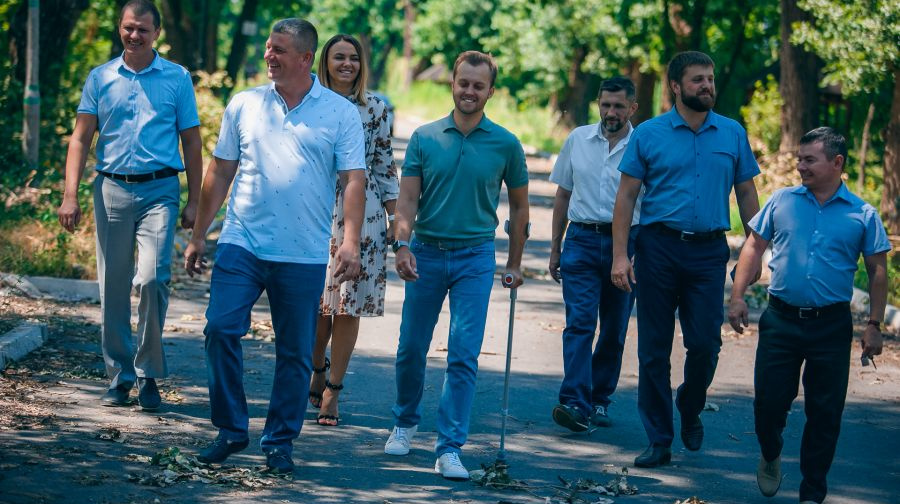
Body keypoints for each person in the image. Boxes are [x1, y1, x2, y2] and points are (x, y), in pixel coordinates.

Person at [183, 18, 366, 473]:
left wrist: (350, 242)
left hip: (302, 252)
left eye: (279, 49)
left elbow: (353, 180)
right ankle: (231, 429)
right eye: (268, 47)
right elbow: (220, 170)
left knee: (295, 352)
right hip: (241, 241)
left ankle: (280, 441)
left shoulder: (340, 113)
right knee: (220, 328)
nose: (269, 55)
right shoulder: (245, 104)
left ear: (305, 58)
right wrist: (199, 234)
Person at [383, 51, 530, 481]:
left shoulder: (506, 143)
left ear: (490, 91)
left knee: (463, 354)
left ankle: (449, 447)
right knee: (411, 347)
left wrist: (515, 262)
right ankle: (405, 422)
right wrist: (402, 245)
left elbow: (520, 209)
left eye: (478, 85)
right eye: (463, 83)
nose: (469, 91)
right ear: (452, 83)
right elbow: (408, 199)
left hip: (474, 257)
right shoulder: (425, 138)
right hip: (425, 252)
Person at [611, 51, 762, 468]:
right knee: (654, 349)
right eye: (698, 79)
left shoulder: (732, 133)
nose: (707, 86)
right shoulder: (649, 134)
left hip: (708, 252)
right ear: (676, 86)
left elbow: (747, 193)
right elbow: (626, 196)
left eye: (710, 78)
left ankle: (690, 404)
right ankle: (659, 439)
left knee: (706, 344)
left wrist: (757, 250)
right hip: (657, 248)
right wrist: (621, 255)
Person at [728, 127, 889, 504]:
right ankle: (770, 452)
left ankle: (812, 491)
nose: (800, 166)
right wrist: (737, 297)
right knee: (768, 405)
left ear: (836, 163)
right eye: (800, 159)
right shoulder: (782, 201)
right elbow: (753, 246)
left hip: (831, 326)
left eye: (809, 160)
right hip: (781, 320)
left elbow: (878, 271)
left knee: (825, 413)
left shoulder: (863, 214)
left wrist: (874, 325)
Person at [57, 0, 202, 411]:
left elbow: (192, 142)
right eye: (128, 28)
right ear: (120, 28)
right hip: (111, 190)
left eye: (142, 29)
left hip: (160, 190)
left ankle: (148, 373)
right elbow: (80, 139)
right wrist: (70, 195)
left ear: (157, 33)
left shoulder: (177, 78)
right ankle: (119, 376)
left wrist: (195, 201)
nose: (134, 35)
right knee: (114, 286)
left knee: (153, 278)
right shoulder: (100, 77)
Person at [308, 34, 399, 427]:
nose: (347, 64)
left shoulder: (374, 107)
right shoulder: (308, 100)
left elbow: (384, 165)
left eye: (354, 58)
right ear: (324, 62)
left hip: (365, 213)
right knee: (315, 303)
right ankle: (316, 366)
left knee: (349, 305)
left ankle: (334, 389)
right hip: (313, 209)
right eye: (339, 57)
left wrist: (396, 221)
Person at [548, 76, 642, 432]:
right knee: (579, 323)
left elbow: (651, 202)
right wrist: (555, 247)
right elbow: (563, 194)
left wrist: (639, 253)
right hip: (582, 240)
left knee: (614, 329)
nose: (611, 112)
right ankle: (574, 401)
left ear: (632, 108)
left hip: (628, 244)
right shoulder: (578, 139)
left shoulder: (643, 145)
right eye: (605, 105)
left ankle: (599, 398)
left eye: (619, 106)